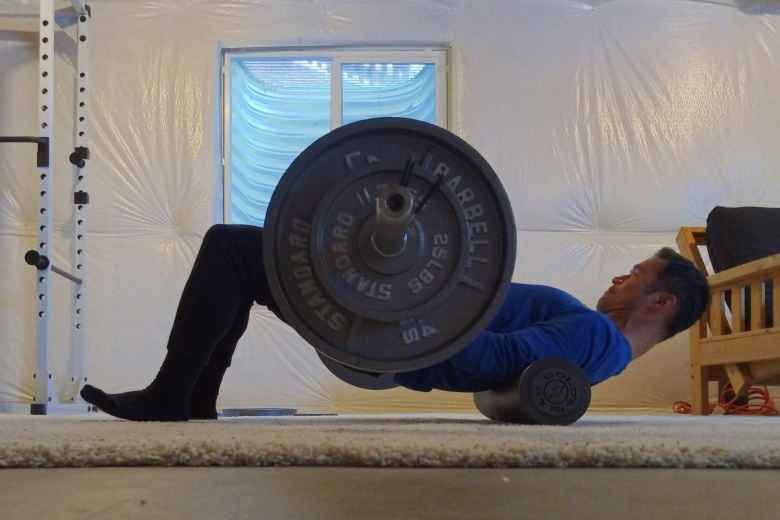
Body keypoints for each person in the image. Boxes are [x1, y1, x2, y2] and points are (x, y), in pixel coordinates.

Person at [80, 224, 710, 421]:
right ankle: (192, 399)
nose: (615, 281)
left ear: (663, 304)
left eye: (631, 275)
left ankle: (176, 395)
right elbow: (499, 363)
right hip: (396, 325)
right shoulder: (597, 346)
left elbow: (483, 362)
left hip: (391, 329)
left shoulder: (596, 337)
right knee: (243, 261)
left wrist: (399, 316)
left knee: (232, 247)